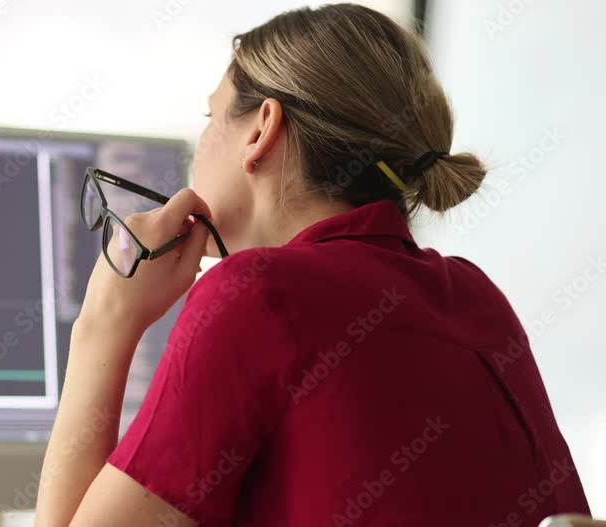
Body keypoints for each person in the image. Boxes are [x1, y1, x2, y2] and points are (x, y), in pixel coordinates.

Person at [34, 4, 591, 525]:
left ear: (260, 129)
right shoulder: (475, 295)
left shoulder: (258, 293)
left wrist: (104, 322)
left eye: (211, 118)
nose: (197, 149)